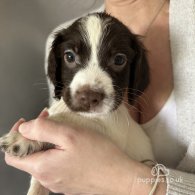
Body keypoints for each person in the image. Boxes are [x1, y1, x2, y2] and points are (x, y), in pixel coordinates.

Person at [5, 0, 195, 194]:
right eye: (70, 58)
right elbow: (66, 163)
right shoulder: (62, 36)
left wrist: (126, 182)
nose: (88, 94)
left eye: (118, 60)